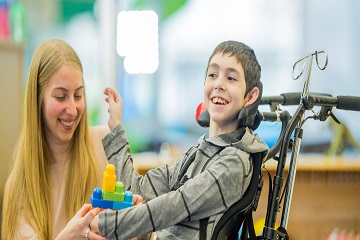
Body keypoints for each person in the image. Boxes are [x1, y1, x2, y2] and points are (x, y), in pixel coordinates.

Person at [90, 40, 269, 239]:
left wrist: (108, 225)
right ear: (204, 85)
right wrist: (116, 127)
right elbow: (135, 190)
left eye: (231, 78)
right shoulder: (198, 152)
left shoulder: (234, 162)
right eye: (212, 75)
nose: (219, 84)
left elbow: (175, 205)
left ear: (250, 96)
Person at [1, 39, 110, 240]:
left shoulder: (106, 144)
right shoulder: (19, 186)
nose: (72, 109)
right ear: (38, 100)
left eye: (78, 95)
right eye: (61, 97)